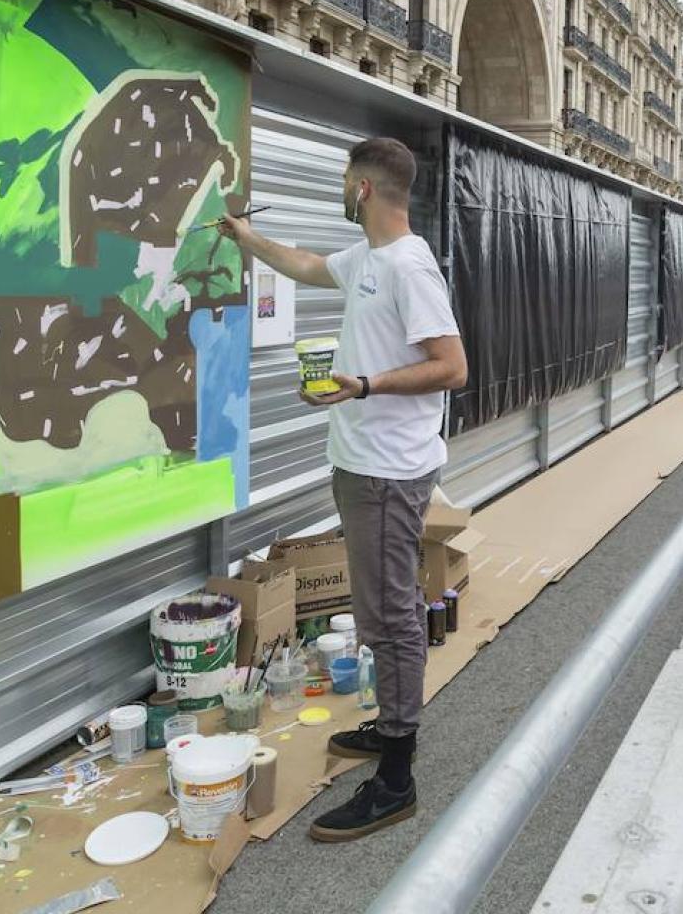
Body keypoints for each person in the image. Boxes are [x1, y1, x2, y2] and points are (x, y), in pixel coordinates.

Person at [220, 137, 469, 842]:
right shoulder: (363, 259)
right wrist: (247, 237)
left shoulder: (409, 267)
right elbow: (301, 264)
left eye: (341, 179)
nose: (338, 187)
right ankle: (390, 725)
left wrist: (366, 384)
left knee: (391, 617)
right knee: (375, 609)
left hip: (390, 470)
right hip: (362, 466)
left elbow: (453, 367)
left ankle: (397, 776)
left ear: (361, 188)